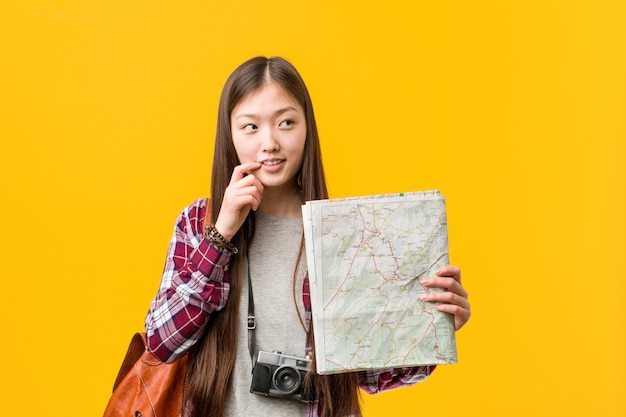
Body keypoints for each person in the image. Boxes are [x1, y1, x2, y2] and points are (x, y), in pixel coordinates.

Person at [145, 56, 471, 417]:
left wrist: (430, 328)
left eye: (286, 122)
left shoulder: (343, 229)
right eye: (250, 127)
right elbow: (162, 343)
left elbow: (368, 375)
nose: (270, 143)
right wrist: (220, 235)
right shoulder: (198, 222)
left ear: (306, 127)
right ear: (230, 134)